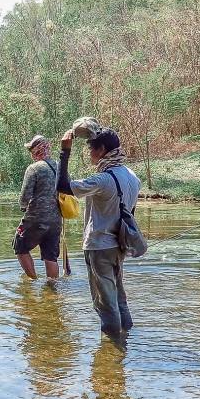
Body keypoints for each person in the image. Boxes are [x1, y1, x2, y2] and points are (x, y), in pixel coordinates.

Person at [56, 127, 141, 340]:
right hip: (120, 244)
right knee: (119, 294)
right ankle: (126, 336)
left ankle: (112, 351)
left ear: (102, 150)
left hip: (99, 246)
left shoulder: (102, 180)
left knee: (104, 302)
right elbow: (129, 213)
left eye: (91, 149)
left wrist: (64, 152)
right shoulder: (132, 176)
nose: (89, 153)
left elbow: (63, 186)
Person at [13, 135, 61, 285]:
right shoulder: (60, 166)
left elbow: (24, 197)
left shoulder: (33, 168)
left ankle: (32, 281)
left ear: (36, 150)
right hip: (56, 220)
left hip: (36, 218)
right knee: (50, 256)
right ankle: (52, 288)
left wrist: (23, 207)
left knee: (19, 246)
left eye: (31, 150)